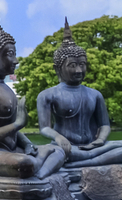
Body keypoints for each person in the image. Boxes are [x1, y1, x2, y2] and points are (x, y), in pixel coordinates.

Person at [0, 0, 65, 179]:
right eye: (9, 54)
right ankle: (39, 173)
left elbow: (13, 131)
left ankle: (40, 175)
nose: (15, 60)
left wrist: (28, 144)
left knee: (57, 150)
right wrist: (18, 123)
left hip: (14, 149)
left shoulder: (5, 87)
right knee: (24, 163)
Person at [36, 20, 122, 167]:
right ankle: (87, 161)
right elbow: (44, 128)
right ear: (58, 68)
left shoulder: (95, 94)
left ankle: (81, 163)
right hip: (66, 148)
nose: (79, 71)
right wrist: (58, 138)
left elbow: (104, 125)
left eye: (82, 65)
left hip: (93, 147)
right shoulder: (48, 95)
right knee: (54, 152)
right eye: (72, 65)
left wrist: (99, 141)